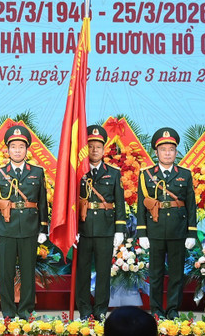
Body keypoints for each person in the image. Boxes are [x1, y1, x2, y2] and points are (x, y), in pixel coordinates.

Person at [0, 125, 49, 319]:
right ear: (7, 149)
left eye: (21, 146)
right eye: (13, 146)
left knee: (28, 273)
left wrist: (43, 228)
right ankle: (8, 312)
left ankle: (25, 311)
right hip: (6, 228)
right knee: (6, 274)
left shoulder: (37, 172)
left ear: (27, 149)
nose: (17, 150)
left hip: (30, 229)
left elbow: (43, 202)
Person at [136, 127, 197, 319]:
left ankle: (172, 311)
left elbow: (191, 206)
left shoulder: (185, 174)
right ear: (156, 152)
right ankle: (156, 311)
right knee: (155, 275)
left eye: (171, 149)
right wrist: (142, 233)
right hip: (154, 230)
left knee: (177, 275)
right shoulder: (146, 175)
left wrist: (192, 233)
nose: (168, 153)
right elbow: (140, 206)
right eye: (163, 149)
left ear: (176, 152)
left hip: (178, 230)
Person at [75, 124, 127, 320]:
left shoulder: (113, 173)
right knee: (82, 273)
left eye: (98, 146)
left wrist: (119, 229)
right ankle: (84, 310)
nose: (94, 150)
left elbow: (119, 203)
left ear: (104, 149)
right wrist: (73, 229)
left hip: (106, 229)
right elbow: (71, 202)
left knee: (104, 272)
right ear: (85, 148)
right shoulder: (77, 171)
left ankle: (100, 311)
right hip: (83, 228)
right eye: (90, 146)